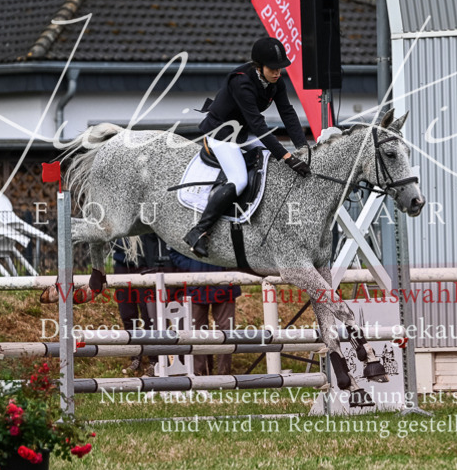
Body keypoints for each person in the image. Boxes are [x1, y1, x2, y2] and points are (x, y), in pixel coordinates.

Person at [183, 37, 312, 257]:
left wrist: (303, 148)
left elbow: (288, 113)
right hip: (221, 134)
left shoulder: (276, 81)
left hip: (243, 131)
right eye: (273, 68)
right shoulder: (241, 82)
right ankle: (199, 231)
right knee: (239, 180)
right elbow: (259, 126)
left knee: (274, 160)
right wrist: (288, 158)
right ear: (258, 66)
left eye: (280, 68)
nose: (277, 73)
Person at [168, 248, 241, 376]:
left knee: (226, 330)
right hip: (195, 286)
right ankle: (198, 373)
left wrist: (228, 268)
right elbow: (174, 250)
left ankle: (224, 374)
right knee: (196, 332)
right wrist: (191, 267)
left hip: (224, 285)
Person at [113, 234, 170, 376]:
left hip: (145, 264)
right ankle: (135, 357)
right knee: (127, 314)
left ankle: (154, 360)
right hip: (122, 265)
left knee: (148, 315)